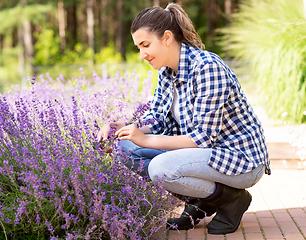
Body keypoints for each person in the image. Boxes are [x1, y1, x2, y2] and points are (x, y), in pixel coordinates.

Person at [97, 2, 271, 235]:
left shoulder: (208, 68)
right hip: (205, 158)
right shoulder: (167, 72)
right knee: (125, 148)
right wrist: (123, 128)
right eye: (138, 47)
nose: (142, 55)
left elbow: (202, 138)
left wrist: (146, 140)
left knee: (160, 168)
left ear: (167, 37)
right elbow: (159, 119)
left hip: (239, 160)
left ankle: (230, 200)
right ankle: (202, 200)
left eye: (146, 45)